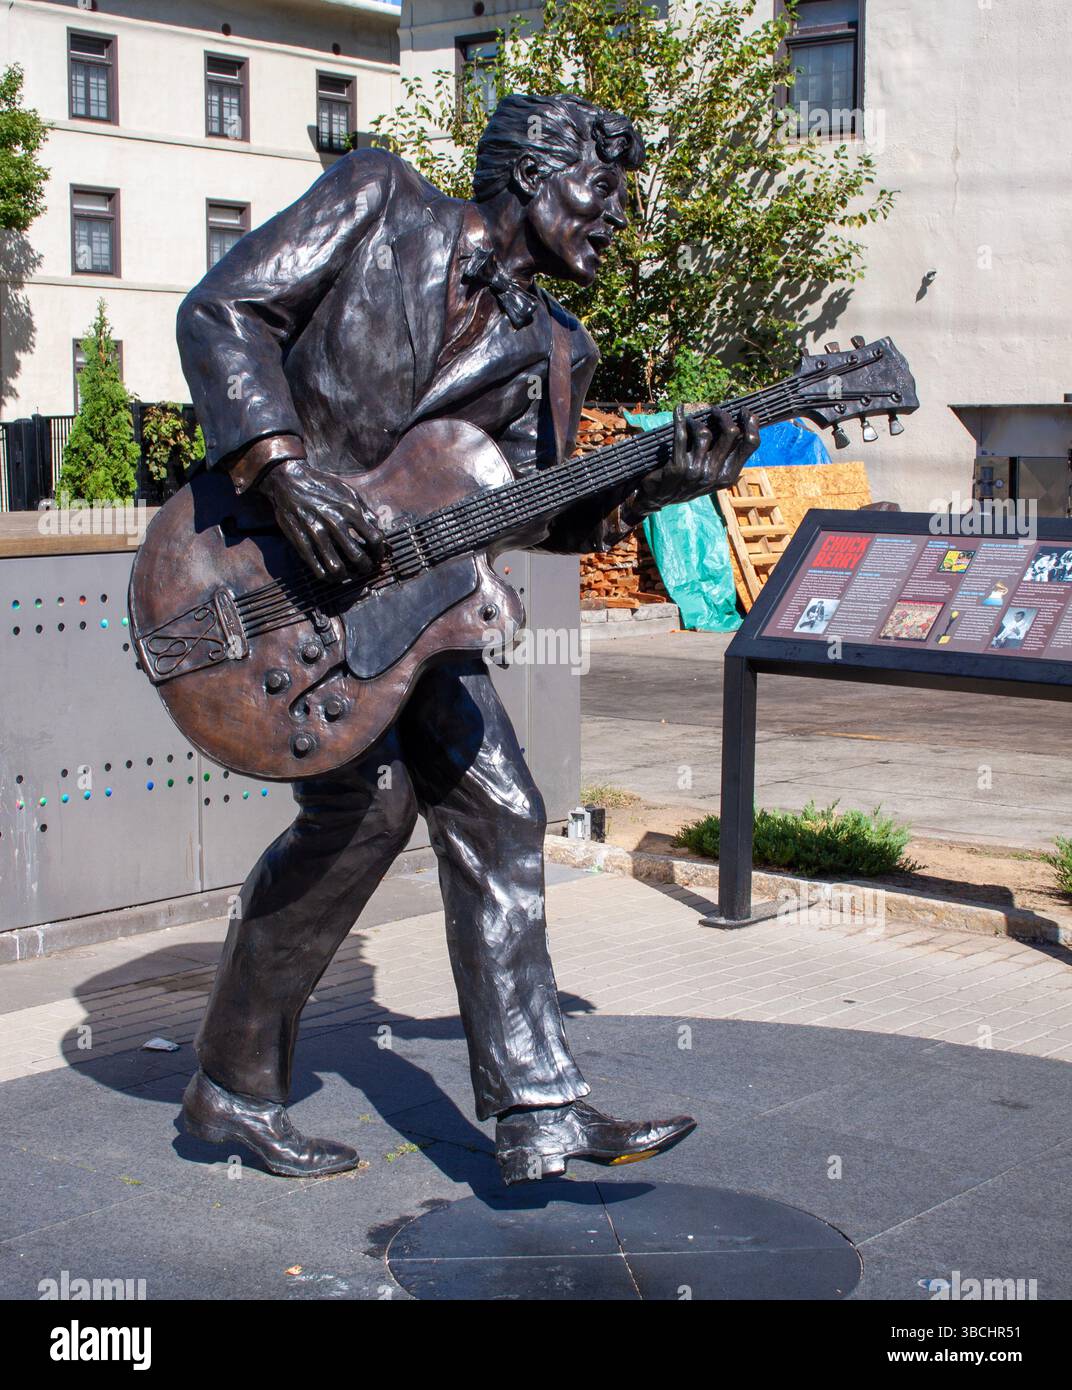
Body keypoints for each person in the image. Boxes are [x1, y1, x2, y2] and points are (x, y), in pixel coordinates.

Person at [175, 93, 759, 1183]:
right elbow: (220, 311)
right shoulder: (378, 197)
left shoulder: (558, 345)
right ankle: (232, 1083)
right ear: (534, 176)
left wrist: (660, 482)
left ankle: (537, 1106)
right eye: (602, 191)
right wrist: (280, 466)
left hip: (412, 614)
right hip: (260, 562)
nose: (615, 219)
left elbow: (534, 510)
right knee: (366, 807)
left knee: (502, 807)